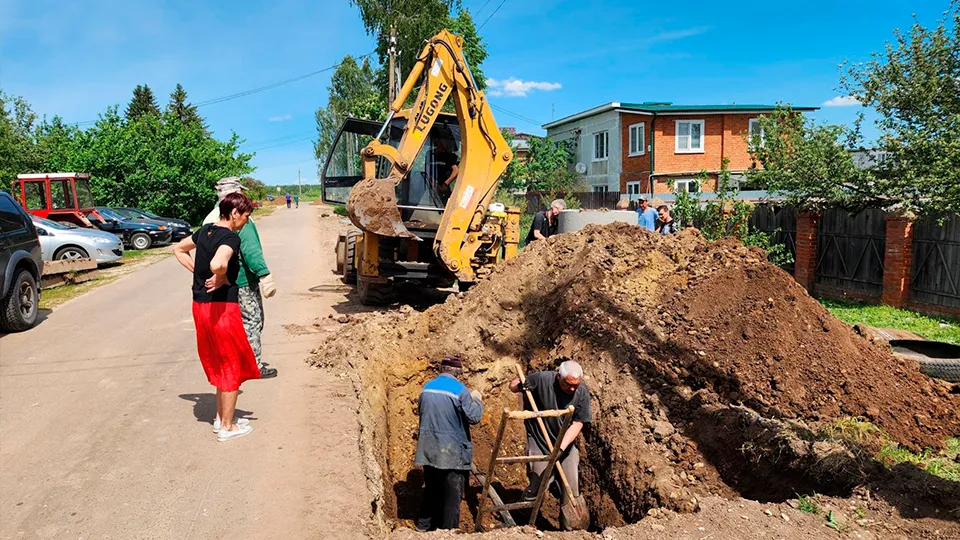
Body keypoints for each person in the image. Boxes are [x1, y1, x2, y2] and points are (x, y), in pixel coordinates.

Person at [174, 192, 261, 442]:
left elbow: (178, 249)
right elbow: (219, 263)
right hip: (222, 308)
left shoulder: (205, 231)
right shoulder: (230, 237)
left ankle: (220, 417)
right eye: (245, 216)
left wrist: (197, 273)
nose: (246, 222)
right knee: (231, 362)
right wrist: (220, 274)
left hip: (200, 307)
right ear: (234, 213)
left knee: (219, 360)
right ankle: (227, 426)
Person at [204, 178, 278, 379]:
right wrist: (264, 273)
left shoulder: (210, 219)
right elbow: (250, 250)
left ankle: (233, 360)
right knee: (252, 321)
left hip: (221, 281)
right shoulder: (241, 220)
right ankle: (252, 365)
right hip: (242, 280)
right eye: (240, 192)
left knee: (230, 323)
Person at [414, 355, 484, 531]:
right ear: (458, 373)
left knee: (431, 489)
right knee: (452, 496)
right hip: (452, 452)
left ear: (441, 370)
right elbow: (474, 417)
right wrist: (477, 399)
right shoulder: (460, 390)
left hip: (428, 449)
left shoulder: (426, 388)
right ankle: (449, 532)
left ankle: (423, 527)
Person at [509, 360, 592, 506]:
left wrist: (560, 449)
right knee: (538, 485)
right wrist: (520, 386)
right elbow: (513, 386)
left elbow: (578, 423)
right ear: (558, 376)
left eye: (576, 385)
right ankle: (524, 519)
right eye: (568, 384)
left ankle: (571, 526)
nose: (572, 389)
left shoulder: (582, 391)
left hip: (564, 444)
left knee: (571, 488)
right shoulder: (542, 379)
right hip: (539, 439)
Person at [433, 140, 460, 204]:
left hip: (444, 189)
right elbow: (427, 169)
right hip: (430, 187)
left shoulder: (450, 156)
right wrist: (433, 182)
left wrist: (446, 183)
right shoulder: (430, 154)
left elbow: (456, 170)